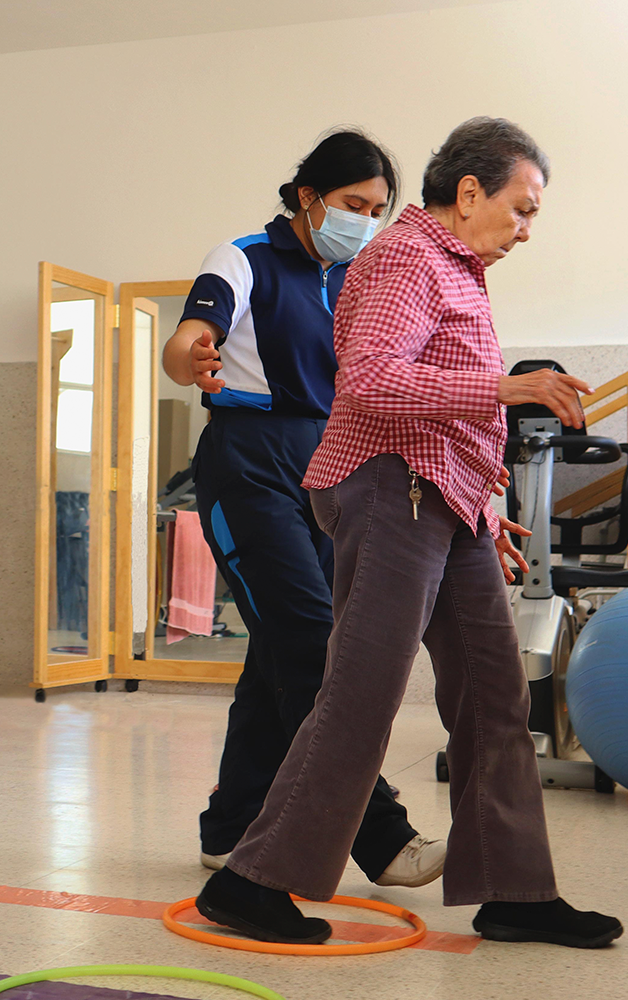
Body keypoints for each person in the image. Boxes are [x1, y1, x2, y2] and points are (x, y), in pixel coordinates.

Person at [193, 118, 623, 949]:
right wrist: (507, 387)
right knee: (362, 690)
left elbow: (437, 402)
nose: (526, 230)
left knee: (494, 695)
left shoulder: (457, 267)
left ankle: (512, 890)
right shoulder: (404, 257)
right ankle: (252, 882)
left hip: (447, 502)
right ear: (469, 192)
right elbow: (374, 381)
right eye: (522, 209)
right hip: (393, 492)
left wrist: (483, 504)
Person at [162, 130, 444, 891]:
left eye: (378, 210)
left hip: (332, 470)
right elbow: (187, 340)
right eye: (354, 204)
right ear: (309, 195)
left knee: (276, 656)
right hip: (248, 464)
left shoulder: (362, 279)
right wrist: (192, 357)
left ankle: (230, 828)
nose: (366, 221)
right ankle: (381, 836)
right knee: (311, 641)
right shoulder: (244, 257)